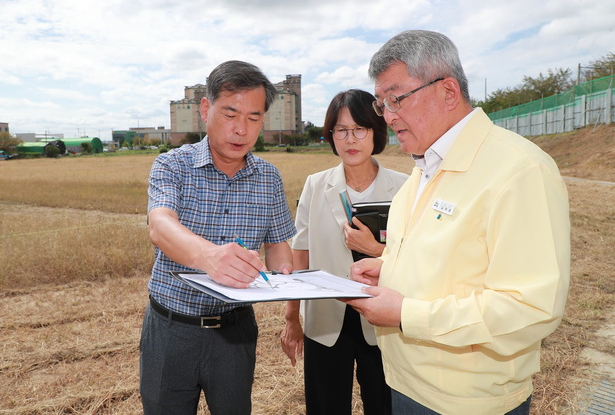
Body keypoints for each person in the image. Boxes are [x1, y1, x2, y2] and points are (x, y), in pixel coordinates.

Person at [344, 30, 571, 414]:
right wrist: (388, 269)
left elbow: (530, 308)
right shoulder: (422, 171)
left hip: (467, 402)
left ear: (448, 91)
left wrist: (405, 313)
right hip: (405, 383)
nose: (389, 116)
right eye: (382, 103)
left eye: (396, 98)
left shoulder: (519, 170)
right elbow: (451, 260)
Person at [140, 60, 296, 415]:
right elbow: (160, 225)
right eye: (230, 114)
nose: (241, 129)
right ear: (206, 109)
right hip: (171, 329)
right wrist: (209, 257)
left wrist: (285, 274)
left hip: (235, 332)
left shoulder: (268, 178)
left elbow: (277, 245)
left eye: (253, 118)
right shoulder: (171, 165)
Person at [280, 89, 408, 414]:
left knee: (385, 405)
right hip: (326, 318)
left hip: (384, 319)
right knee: (326, 406)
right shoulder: (315, 184)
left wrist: (375, 249)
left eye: (360, 129)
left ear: (376, 132)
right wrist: (292, 317)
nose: (351, 139)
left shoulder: (406, 186)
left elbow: (418, 257)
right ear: (332, 136)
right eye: (341, 130)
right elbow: (301, 255)